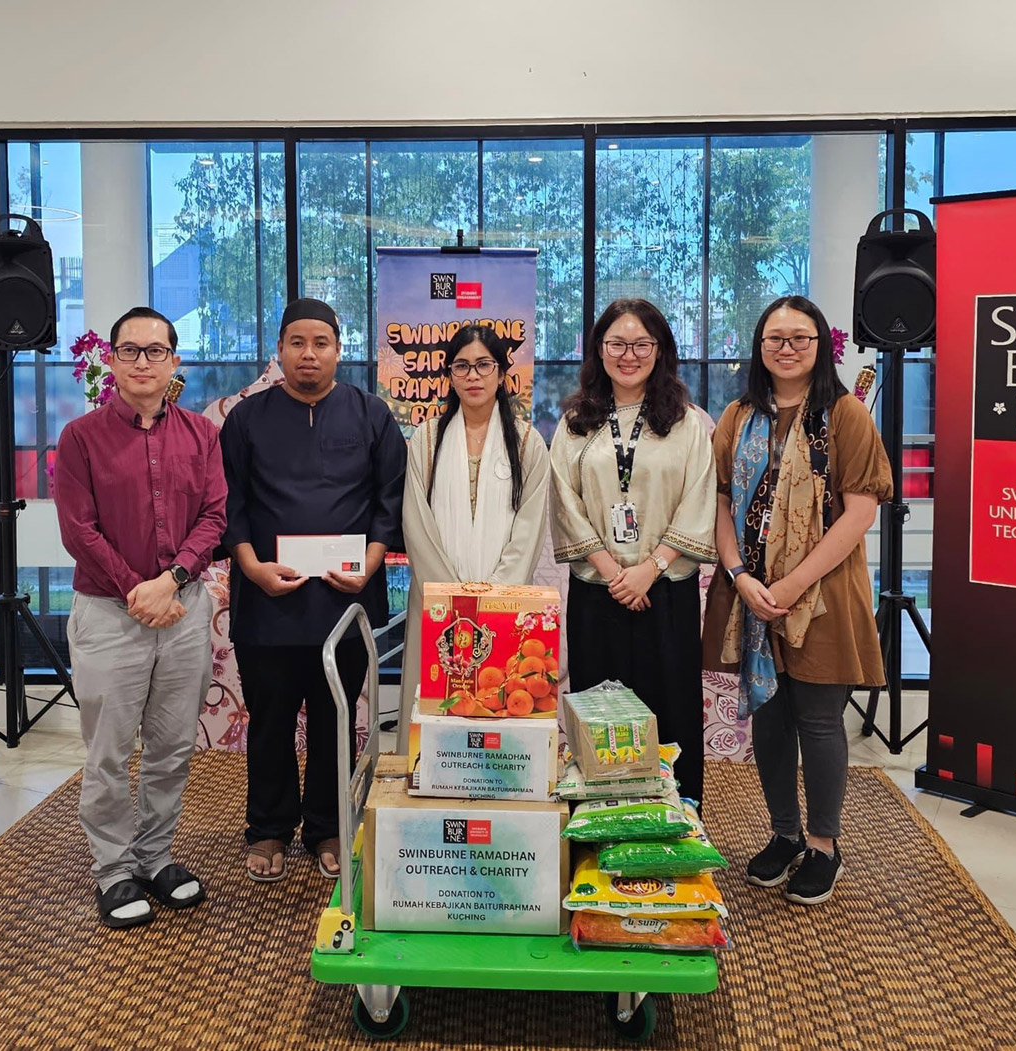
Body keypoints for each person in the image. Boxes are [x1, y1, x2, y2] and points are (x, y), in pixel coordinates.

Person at [704, 294, 891, 906]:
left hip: (821, 594)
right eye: (774, 338)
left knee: (817, 719)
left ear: (820, 346)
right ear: (760, 348)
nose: (786, 348)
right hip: (749, 591)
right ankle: (783, 834)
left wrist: (787, 586)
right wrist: (738, 575)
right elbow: (723, 504)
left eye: (800, 338)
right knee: (771, 717)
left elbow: (860, 511)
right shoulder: (736, 416)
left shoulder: (844, 417)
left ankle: (823, 845)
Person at [221, 298, 406, 884]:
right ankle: (269, 827)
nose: (309, 354)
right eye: (297, 342)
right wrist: (250, 568)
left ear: (338, 350)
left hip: (345, 601)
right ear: (279, 351)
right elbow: (231, 505)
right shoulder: (245, 421)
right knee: (271, 718)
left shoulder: (371, 414)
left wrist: (371, 565)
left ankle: (328, 824)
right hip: (267, 601)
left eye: (320, 342)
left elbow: (389, 503)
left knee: (335, 716)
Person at [54, 306, 225, 929]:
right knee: (107, 752)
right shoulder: (80, 438)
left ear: (174, 361)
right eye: (131, 351)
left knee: (172, 746)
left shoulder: (202, 436)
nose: (144, 362)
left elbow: (213, 517)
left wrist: (172, 580)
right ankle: (113, 870)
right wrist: (139, 591)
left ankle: (155, 857)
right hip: (109, 614)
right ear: (114, 362)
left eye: (156, 351)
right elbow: (79, 530)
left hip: (182, 608)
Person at [549, 298, 718, 807]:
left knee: (671, 709)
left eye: (642, 344)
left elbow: (699, 495)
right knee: (602, 715)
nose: (629, 355)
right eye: (617, 344)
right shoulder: (576, 422)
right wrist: (612, 570)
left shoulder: (688, 423)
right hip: (597, 596)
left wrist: (651, 567)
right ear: (599, 351)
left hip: (666, 593)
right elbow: (564, 498)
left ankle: (676, 825)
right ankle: (600, 828)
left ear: (660, 350)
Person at [402, 324, 550, 697]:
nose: (473, 376)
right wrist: (451, 596)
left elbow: (530, 529)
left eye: (484, 365)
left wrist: (495, 597)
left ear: (501, 374)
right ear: (449, 376)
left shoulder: (528, 443)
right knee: (437, 709)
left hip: (506, 605)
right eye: (461, 366)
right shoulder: (427, 439)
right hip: (437, 603)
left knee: (499, 700)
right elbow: (416, 524)